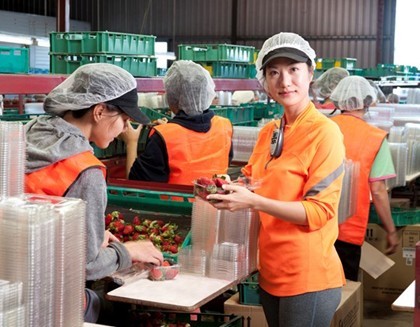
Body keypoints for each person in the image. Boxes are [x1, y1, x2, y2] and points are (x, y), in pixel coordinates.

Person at [207, 32, 346, 327]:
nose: (285, 81)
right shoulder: (270, 131)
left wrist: (253, 200)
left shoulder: (324, 133)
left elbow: (318, 212)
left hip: (307, 276)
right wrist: (232, 188)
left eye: (293, 70)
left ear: (310, 73)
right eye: (274, 72)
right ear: (265, 82)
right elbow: (253, 179)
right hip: (270, 270)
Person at [24, 63, 164, 323]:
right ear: (99, 111)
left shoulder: (29, 136)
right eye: (124, 118)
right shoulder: (85, 170)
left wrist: (88, 236)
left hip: (11, 285)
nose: (125, 129)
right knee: (116, 313)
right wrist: (129, 251)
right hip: (48, 300)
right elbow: (86, 264)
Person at [329, 75, 399, 281]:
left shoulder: (320, 128)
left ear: (338, 100)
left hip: (312, 224)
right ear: (368, 102)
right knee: (343, 292)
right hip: (348, 230)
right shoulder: (375, 137)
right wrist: (391, 230)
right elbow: (377, 191)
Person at [120, 60, 233, 185]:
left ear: (172, 98)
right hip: (214, 202)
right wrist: (170, 129)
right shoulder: (224, 126)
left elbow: (137, 185)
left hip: (175, 204)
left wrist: (131, 142)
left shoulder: (162, 137)